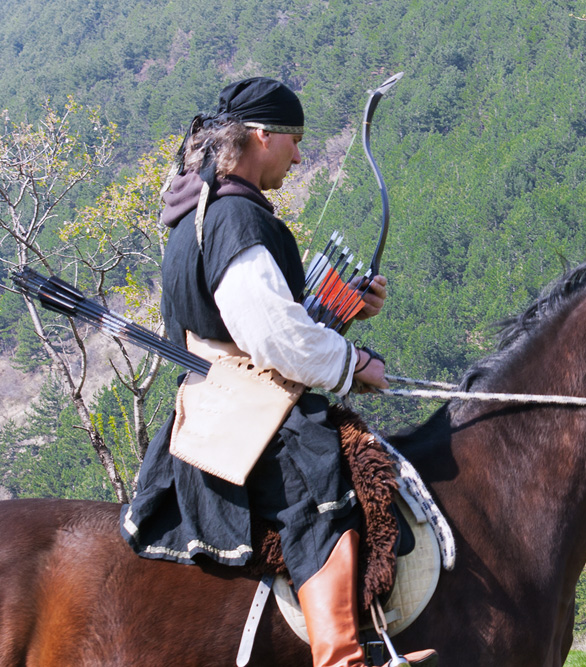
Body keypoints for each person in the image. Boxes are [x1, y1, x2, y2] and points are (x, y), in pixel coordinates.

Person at [118, 77, 436, 667]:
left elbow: (260, 323)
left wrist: (344, 307)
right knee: (325, 495)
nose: (299, 155)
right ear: (261, 136)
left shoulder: (201, 212)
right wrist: (353, 363)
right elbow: (273, 336)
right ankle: (341, 658)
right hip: (251, 416)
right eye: (294, 141)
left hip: (220, 402)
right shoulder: (237, 218)